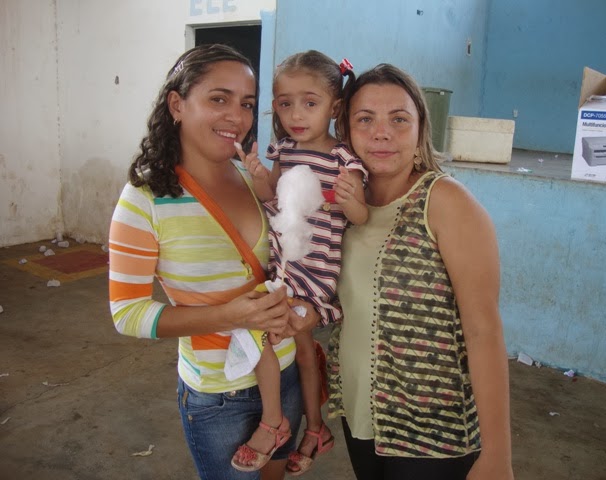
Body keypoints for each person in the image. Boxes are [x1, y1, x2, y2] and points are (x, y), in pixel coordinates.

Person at [108, 44, 319, 480]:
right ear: (177, 105)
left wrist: (307, 309)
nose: (236, 117)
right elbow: (127, 314)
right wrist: (229, 315)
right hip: (218, 395)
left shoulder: (251, 177)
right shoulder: (144, 199)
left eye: (247, 104)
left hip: (284, 374)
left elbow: (292, 268)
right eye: (219, 99)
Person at [327, 63, 515, 480]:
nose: (382, 133)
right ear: (347, 132)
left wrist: (498, 455)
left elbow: (483, 331)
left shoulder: (445, 201)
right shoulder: (346, 205)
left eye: (399, 119)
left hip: (432, 430)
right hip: (360, 414)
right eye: (365, 119)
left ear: (420, 131)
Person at [233, 50, 368, 476]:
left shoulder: (344, 158)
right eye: (285, 103)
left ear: (335, 107)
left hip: (317, 272)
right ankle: (315, 428)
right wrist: (258, 176)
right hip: (284, 265)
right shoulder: (284, 150)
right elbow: (271, 197)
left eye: (310, 103)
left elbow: (360, 217)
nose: (296, 114)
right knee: (304, 351)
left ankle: (273, 422)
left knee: (263, 330)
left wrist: (351, 201)